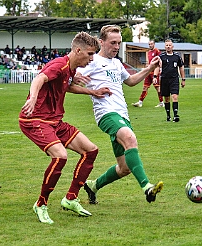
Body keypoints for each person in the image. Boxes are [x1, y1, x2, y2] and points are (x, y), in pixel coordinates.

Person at [19, 31, 111, 224]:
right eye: (90, 54)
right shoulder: (59, 65)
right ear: (78, 50)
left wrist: (93, 92)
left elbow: (66, 86)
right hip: (35, 120)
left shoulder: (69, 69)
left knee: (91, 150)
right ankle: (40, 204)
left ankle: (70, 198)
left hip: (55, 122)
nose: (92, 58)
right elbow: (39, 79)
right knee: (60, 156)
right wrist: (33, 97)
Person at [74, 25, 163, 206]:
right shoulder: (92, 62)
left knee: (124, 168)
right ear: (101, 42)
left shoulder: (116, 63)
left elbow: (130, 81)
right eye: (112, 43)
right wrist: (91, 91)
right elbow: (69, 80)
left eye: (119, 43)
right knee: (130, 138)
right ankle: (147, 187)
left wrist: (149, 68)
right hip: (106, 114)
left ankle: (93, 185)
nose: (116, 46)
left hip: (122, 114)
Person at [153, 39, 185, 122]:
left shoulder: (177, 56)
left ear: (172, 46)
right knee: (166, 99)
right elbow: (157, 67)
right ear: (165, 47)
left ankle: (176, 116)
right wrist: (155, 77)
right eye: (166, 45)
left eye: (169, 45)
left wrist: (183, 79)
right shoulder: (161, 56)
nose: (168, 46)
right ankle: (168, 116)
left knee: (174, 96)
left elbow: (181, 67)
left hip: (174, 79)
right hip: (164, 79)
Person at [132, 40, 164, 108]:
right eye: (149, 44)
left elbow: (159, 61)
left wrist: (158, 70)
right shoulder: (149, 52)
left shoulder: (157, 51)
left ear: (154, 44)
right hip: (148, 72)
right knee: (145, 87)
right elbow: (149, 62)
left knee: (157, 87)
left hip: (155, 72)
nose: (150, 45)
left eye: (151, 44)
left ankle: (161, 102)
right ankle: (140, 102)